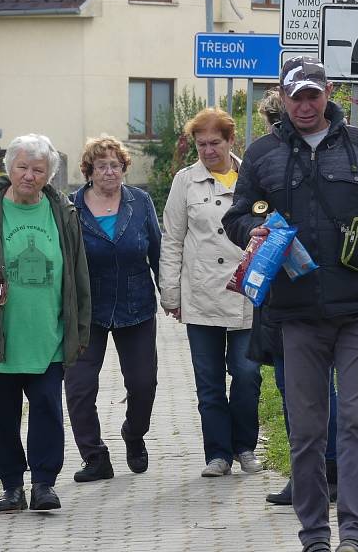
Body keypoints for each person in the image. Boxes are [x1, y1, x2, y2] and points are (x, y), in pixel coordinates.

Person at [223, 56, 358, 552]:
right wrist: (253, 230)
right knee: (307, 433)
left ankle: (355, 535)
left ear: (328, 93)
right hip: (296, 316)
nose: (306, 104)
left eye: (314, 94)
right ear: (283, 99)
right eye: (297, 96)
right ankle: (313, 535)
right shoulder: (264, 153)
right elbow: (237, 216)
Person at [0, 134, 91, 514]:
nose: (29, 175)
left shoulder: (64, 213)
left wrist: (80, 329)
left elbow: (78, 275)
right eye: (22, 167)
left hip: (48, 336)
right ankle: (11, 486)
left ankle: (43, 485)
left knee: (46, 410)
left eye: (38, 169)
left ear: (49, 175)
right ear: (9, 169)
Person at [159, 107, 262, 478]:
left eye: (214, 143)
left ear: (230, 140)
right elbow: (171, 239)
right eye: (201, 144)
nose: (207, 151)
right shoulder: (184, 182)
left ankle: (245, 446)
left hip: (244, 295)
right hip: (201, 295)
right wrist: (170, 292)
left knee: (248, 374)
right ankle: (217, 454)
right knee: (209, 382)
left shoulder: (251, 177)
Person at [256, 87, 339, 506]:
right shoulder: (273, 164)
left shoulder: (282, 165)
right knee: (318, 389)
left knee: (300, 391)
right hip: (296, 293)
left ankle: (314, 475)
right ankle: (328, 471)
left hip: (294, 295)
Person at [64, 135, 162, 482]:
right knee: (78, 387)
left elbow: (158, 251)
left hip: (136, 306)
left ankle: (134, 435)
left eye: (116, 165)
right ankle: (94, 458)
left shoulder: (140, 201)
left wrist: (171, 294)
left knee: (143, 383)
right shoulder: (70, 207)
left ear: (124, 169)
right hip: (87, 310)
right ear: (89, 170)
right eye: (102, 165)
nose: (109, 171)